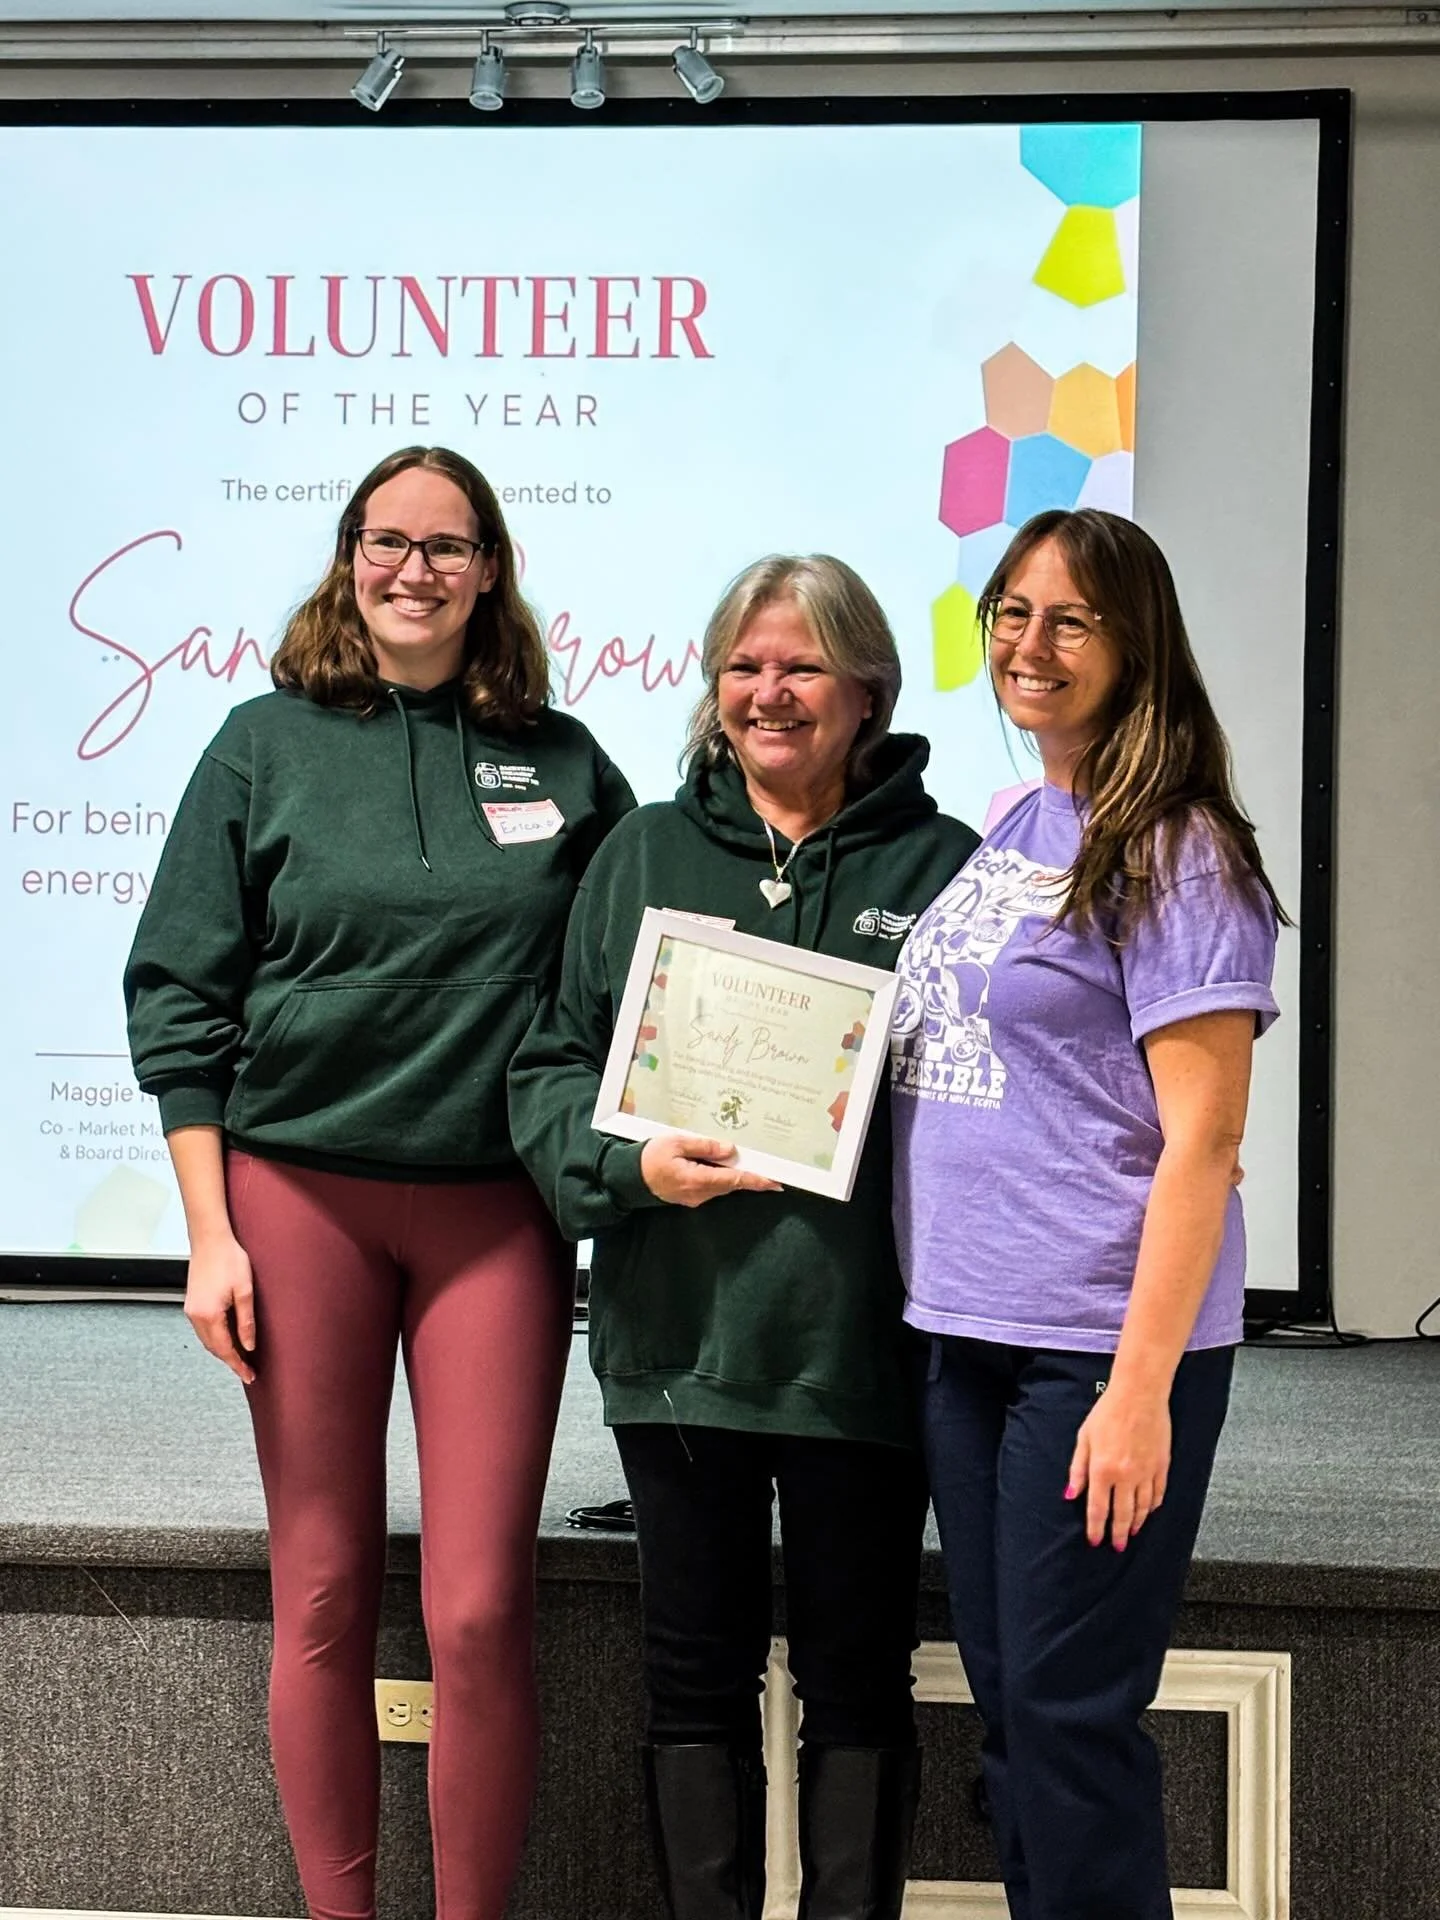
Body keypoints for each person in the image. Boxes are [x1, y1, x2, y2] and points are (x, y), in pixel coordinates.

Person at [124, 445, 634, 1920]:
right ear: (351, 557)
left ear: (492, 570)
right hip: (299, 1207)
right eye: (386, 540)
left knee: (478, 1608)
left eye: (448, 545)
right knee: (329, 1592)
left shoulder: (563, 759)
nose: (414, 569)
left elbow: (635, 972)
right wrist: (210, 1237)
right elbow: (177, 994)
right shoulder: (259, 743)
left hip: (495, 1217)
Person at [509, 554, 979, 1920]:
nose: (769, 694)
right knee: (692, 1671)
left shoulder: (946, 872)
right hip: (680, 1347)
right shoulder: (642, 853)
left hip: (862, 1351)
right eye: (744, 666)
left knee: (857, 1673)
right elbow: (548, 1070)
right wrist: (631, 1163)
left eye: (804, 666)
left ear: (869, 691)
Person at [890, 508, 1284, 1920]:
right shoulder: (1018, 819)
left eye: (1069, 621)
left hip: (1092, 1349)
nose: (1029, 645)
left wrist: (1136, 1394)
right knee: (1015, 1713)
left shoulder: (1180, 852)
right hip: (967, 1332)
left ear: (1137, 647)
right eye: (1010, 612)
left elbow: (1209, 1143)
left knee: (1070, 1718)